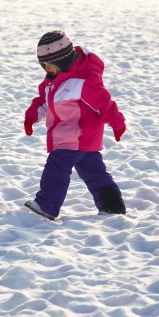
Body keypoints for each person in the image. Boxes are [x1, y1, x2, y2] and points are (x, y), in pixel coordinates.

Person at [24, 30, 127, 220]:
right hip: (81, 139)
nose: (46, 69)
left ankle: (47, 205)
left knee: (56, 168)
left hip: (74, 136)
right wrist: (31, 117)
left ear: (62, 61)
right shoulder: (52, 82)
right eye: (43, 65)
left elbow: (104, 103)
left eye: (50, 65)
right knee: (95, 173)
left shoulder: (83, 80)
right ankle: (113, 206)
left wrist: (117, 123)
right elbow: (44, 101)